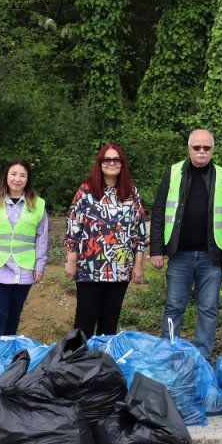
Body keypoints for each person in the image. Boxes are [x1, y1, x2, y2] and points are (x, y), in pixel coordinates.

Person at [150, 129, 222, 357]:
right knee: (173, 307)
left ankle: (201, 358)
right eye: (197, 147)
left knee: (209, 309)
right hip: (179, 254)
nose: (201, 151)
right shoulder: (172, 173)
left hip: (211, 256)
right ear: (189, 148)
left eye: (206, 148)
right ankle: (169, 355)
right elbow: (159, 212)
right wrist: (156, 250)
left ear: (213, 150)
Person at [64, 144, 148, 337]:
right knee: (85, 318)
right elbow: (73, 228)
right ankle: (78, 362)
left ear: (122, 164)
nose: (111, 163)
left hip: (120, 267)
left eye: (116, 159)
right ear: (100, 163)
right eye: (106, 159)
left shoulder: (131, 193)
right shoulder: (86, 191)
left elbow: (140, 232)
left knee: (110, 321)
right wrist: (71, 261)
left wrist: (138, 264)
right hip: (89, 267)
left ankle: (102, 363)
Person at [0, 159, 48, 345]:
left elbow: (42, 238)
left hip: (25, 268)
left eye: (22, 175)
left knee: (14, 314)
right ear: (6, 177)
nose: (17, 179)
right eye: (13, 174)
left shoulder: (38, 205)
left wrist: (40, 264)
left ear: (27, 179)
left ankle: (7, 353)